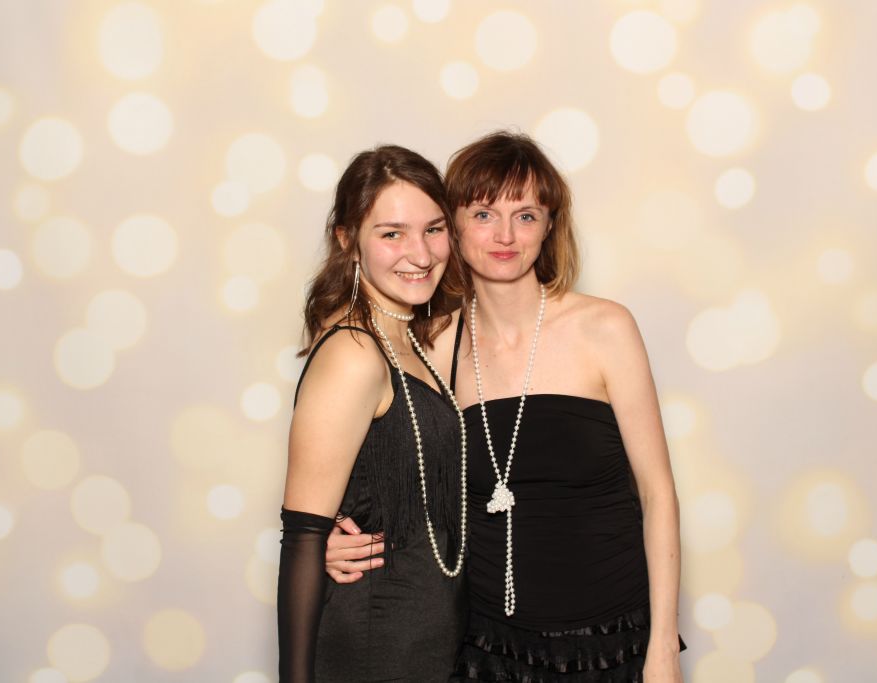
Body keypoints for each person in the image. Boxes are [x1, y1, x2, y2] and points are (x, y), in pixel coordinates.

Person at [327, 132, 685, 682]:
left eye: (526, 216)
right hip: (487, 647)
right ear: (451, 227)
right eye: (483, 214)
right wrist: (328, 538)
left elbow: (658, 494)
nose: (505, 236)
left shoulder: (606, 328)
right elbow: (392, 479)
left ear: (549, 226)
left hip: (616, 638)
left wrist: (662, 649)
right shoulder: (431, 346)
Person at [278, 144, 470, 682]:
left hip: (427, 648)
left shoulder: (408, 339)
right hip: (374, 648)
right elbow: (303, 537)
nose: (421, 254)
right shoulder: (354, 353)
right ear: (347, 240)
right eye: (392, 234)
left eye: (434, 229)